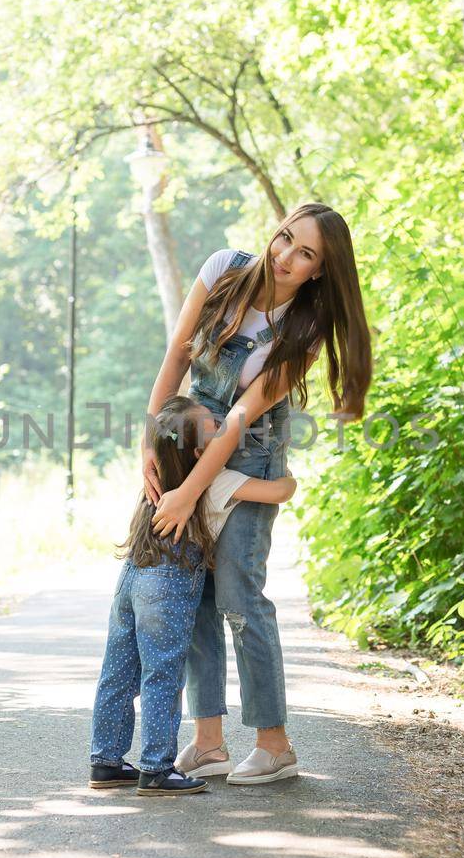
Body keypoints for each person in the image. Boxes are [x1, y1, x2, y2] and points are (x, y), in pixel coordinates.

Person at [143, 202, 372, 785]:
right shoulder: (223, 269)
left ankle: (275, 743)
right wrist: (153, 439)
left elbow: (242, 417)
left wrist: (187, 496)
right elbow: (176, 354)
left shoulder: (304, 332)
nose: (285, 257)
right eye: (285, 239)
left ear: (321, 270)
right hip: (188, 440)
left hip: (246, 453)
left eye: (305, 254)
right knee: (190, 593)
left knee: (239, 599)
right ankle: (209, 742)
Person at [90, 394, 297, 796]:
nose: (223, 430)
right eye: (215, 428)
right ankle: (155, 768)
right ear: (203, 453)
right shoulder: (218, 480)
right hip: (167, 588)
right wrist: (290, 478)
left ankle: (106, 761)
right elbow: (280, 492)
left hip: (132, 576)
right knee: (162, 676)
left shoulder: (156, 481)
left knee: (118, 671)